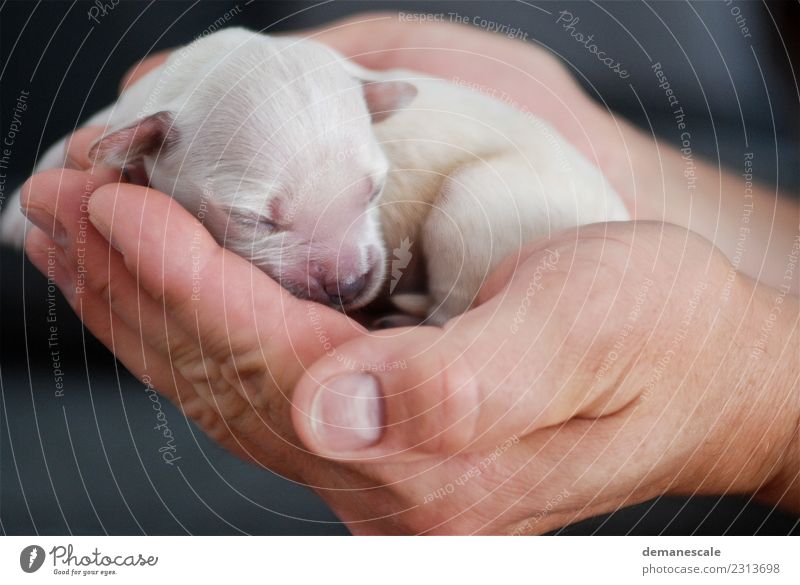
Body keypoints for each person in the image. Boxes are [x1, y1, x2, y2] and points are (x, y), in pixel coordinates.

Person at [17, 14, 798, 534]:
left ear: (374, 112)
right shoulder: (163, 118)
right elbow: (83, 151)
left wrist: (766, 418)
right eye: (265, 217)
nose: (348, 265)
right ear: (147, 142)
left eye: (367, 193)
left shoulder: (357, 108)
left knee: (474, 209)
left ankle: (449, 313)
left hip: (550, 219)